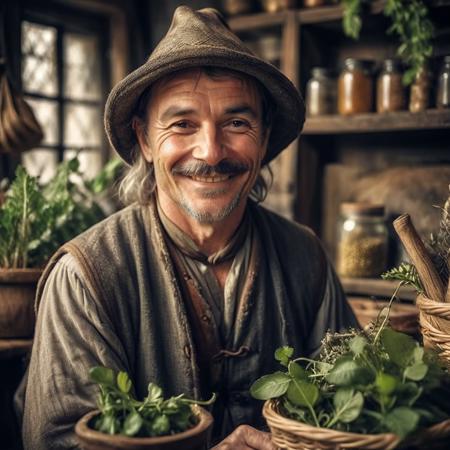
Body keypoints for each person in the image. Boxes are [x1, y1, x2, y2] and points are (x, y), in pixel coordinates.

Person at [17, 6, 357, 450]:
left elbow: (354, 403)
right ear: (143, 139)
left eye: (237, 123)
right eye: (182, 124)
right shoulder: (85, 277)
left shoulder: (304, 256)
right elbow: (59, 441)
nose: (211, 151)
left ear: (265, 136)